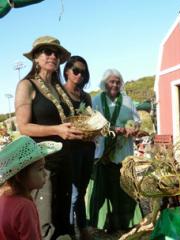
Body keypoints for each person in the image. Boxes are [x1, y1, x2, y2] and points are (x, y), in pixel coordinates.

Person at [15, 36, 84, 239]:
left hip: (66, 159)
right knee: (45, 220)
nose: (53, 56)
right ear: (36, 57)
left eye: (57, 53)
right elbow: (23, 127)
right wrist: (58, 130)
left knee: (64, 216)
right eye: (47, 51)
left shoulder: (60, 89)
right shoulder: (26, 85)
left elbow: (69, 119)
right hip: (42, 164)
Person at [88, 69, 142, 233]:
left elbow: (137, 121)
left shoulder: (127, 100)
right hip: (103, 153)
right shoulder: (96, 100)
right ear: (105, 83)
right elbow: (92, 125)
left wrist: (133, 128)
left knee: (123, 188)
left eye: (118, 82)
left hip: (123, 151)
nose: (115, 85)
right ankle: (102, 223)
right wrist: (113, 129)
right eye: (112, 81)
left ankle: (124, 222)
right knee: (102, 188)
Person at [0, 135, 62, 240]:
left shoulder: (3, 197)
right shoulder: (24, 207)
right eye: (40, 169)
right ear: (20, 176)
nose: (45, 174)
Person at [63, 56, 95, 240]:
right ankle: (69, 232)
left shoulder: (86, 96)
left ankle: (82, 228)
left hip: (87, 148)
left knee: (81, 191)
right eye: (76, 70)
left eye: (83, 72)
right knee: (72, 194)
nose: (80, 75)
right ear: (67, 71)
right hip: (70, 149)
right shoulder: (60, 93)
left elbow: (90, 121)